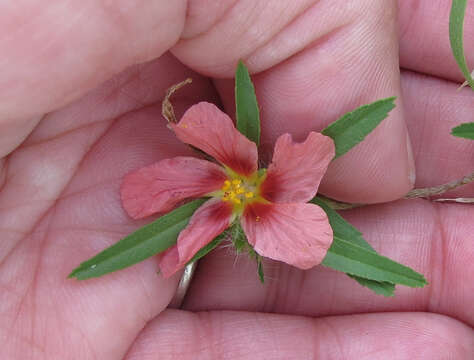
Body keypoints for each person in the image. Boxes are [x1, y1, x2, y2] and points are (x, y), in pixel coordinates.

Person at [0, 1, 473, 358]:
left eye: (240, 189)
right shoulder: (228, 195)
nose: (238, 189)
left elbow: (294, 173)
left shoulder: (260, 188)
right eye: (237, 189)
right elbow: (201, 225)